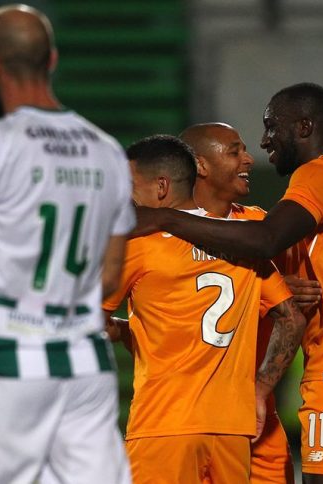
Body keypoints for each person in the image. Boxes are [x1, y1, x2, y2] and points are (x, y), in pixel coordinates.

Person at [134, 83, 323, 483]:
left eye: (270, 128)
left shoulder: (304, 186)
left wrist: (165, 218)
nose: (261, 145)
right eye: (236, 150)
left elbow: (265, 241)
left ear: (303, 127)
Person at [0, 5, 133, 483]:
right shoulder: (107, 151)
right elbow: (110, 277)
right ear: (52, 60)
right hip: (84, 363)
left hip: (7, 361)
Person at [103, 134, 308, 483]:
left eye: (130, 186)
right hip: (233, 430)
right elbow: (292, 317)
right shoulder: (241, 242)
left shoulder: (140, 244)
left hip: (165, 424)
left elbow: (88, 320)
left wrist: (125, 329)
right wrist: (260, 390)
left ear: (161, 187)